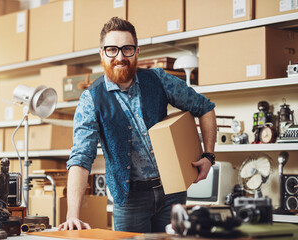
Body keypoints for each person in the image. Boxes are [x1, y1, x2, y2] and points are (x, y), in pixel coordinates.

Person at [57, 17, 217, 233]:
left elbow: (205, 108)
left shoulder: (158, 79)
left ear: (137, 52)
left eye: (127, 49)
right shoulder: (91, 99)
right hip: (129, 199)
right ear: (102, 53)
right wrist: (72, 216)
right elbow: (80, 158)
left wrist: (208, 156)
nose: (120, 57)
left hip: (173, 191)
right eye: (112, 50)